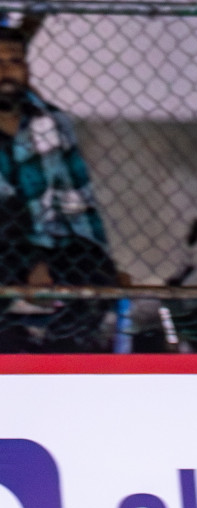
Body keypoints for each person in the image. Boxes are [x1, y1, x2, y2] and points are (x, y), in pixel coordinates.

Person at [0, 31, 118, 352]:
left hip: (55, 245)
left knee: (97, 278)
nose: (6, 71)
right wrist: (29, 264)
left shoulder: (51, 123)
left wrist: (100, 257)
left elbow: (77, 204)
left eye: (15, 61)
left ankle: (54, 359)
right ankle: (12, 348)